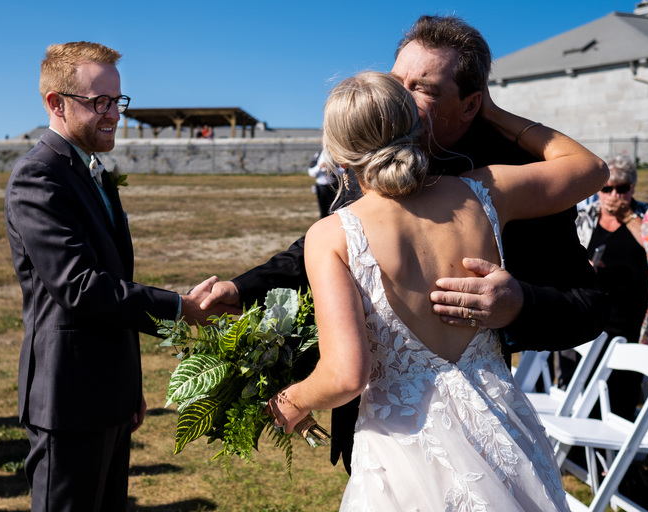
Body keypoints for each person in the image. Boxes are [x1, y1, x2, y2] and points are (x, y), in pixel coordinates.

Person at [195, 14, 608, 474]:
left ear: (470, 106)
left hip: (485, 431)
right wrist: (240, 289)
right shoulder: (381, 143)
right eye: (397, 82)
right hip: (381, 432)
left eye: (424, 88)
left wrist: (519, 304)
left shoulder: (507, 178)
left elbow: (590, 305)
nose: (398, 101)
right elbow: (330, 249)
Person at [267, 70, 606, 511]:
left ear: (337, 155)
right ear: (418, 129)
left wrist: (289, 401)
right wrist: (497, 115)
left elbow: (346, 374)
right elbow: (590, 168)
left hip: (406, 456)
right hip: (504, 434)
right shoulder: (485, 192)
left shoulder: (332, 235)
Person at [4, 41, 232, 511]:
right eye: (99, 102)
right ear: (56, 103)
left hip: (106, 391)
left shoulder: (93, 172)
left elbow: (113, 278)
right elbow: (79, 286)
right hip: (68, 397)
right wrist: (179, 309)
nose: (113, 114)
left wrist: (127, 387)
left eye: (117, 101)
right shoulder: (39, 176)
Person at [568, 154, 648, 420]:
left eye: (622, 188)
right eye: (607, 188)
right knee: (580, 384)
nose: (615, 195)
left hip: (629, 321)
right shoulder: (586, 217)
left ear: (631, 189)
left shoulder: (644, 218)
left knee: (622, 392)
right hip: (587, 318)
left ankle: (616, 457)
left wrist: (628, 218)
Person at [308, 147, 355, 218]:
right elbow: (311, 172)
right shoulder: (319, 154)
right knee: (323, 211)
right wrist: (320, 167)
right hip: (322, 188)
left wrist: (333, 168)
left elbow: (345, 170)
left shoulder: (336, 153)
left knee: (335, 210)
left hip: (334, 186)